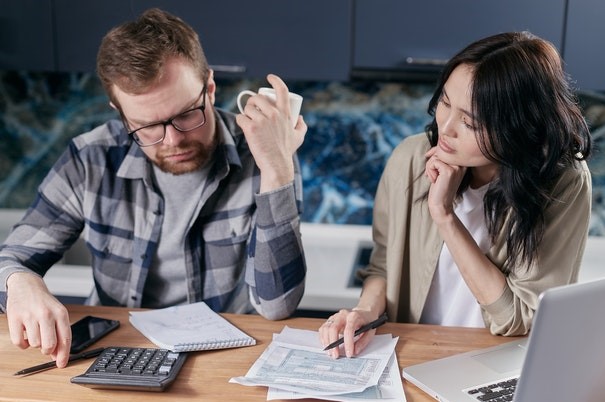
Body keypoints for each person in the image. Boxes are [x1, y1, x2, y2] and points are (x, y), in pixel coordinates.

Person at [0, 8, 307, 368]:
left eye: (187, 114)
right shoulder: (90, 158)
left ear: (209, 87)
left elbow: (277, 305)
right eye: (146, 126)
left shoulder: (267, 151)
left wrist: (276, 170)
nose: (173, 140)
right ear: (120, 112)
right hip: (115, 353)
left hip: (223, 357)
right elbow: (12, 258)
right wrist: (22, 282)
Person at [320, 31, 592, 358]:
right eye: (445, 102)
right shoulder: (410, 159)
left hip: (496, 363)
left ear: (517, 127)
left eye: (470, 122)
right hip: (413, 354)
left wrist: (445, 216)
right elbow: (383, 266)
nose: (446, 128)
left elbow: (518, 318)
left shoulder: (562, 183)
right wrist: (365, 312)